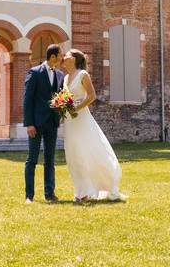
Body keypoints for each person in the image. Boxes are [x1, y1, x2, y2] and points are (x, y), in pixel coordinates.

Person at [60, 49, 125, 202]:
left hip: (81, 118)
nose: (64, 57)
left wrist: (77, 108)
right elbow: (65, 97)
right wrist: (62, 107)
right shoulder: (65, 78)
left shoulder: (83, 75)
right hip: (70, 121)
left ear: (74, 59)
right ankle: (80, 190)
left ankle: (90, 190)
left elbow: (92, 96)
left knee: (85, 150)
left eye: (67, 55)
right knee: (73, 153)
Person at [22, 44, 64, 203]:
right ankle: (29, 196)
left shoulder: (60, 75)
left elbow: (59, 97)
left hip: (52, 123)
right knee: (32, 159)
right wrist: (29, 123)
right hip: (36, 123)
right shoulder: (35, 72)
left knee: (50, 160)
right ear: (53, 56)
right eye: (60, 55)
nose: (62, 58)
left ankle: (49, 193)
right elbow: (27, 100)